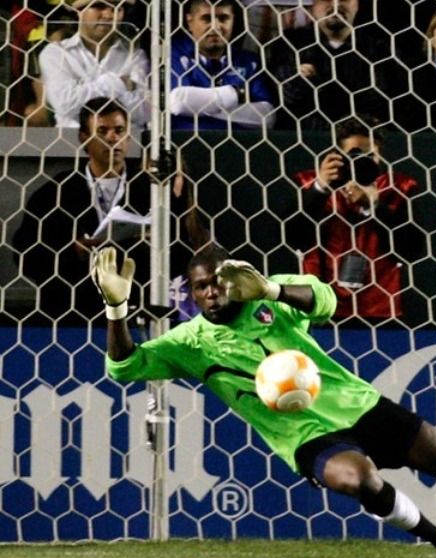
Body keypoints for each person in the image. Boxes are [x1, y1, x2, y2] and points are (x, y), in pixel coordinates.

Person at [91, 245, 436, 558]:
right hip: (304, 436)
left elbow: (326, 300)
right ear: (192, 294)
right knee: (357, 478)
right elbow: (123, 368)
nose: (213, 292)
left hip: (355, 403)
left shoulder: (266, 297)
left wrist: (269, 286)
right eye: (202, 287)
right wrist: (117, 310)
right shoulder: (189, 344)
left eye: (217, 282)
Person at [12, 98, 207, 319]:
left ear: (128, 136)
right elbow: (26, 256)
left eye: (119, 130)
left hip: (136, 309)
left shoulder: (150, 188)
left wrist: (151, 245)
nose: (112, 138)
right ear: (83, 138)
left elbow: (183, 248)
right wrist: (72, 252)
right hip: (72, 313)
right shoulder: (55, 193)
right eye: (102, 131)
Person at [294, 119, 424, 321]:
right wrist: (320, 188)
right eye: (354, 155)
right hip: (321, 306)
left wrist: (374, 205)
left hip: (381, 308)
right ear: (338, 155)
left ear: (379, 155)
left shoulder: (399, 187)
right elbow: (294, 237)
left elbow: (411, 248)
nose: (363, 161)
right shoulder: (309, 183)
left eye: (370, 155)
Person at [267, 0, 398, 130]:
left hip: (360, 139)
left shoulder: (380, 47)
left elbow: (379, 102)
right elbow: (289, 95)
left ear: (357, 4)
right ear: (313, 4)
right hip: (304, 139)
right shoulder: (290, 43)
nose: (336, 5)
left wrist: (316, 82)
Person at [38, 0, 149, 130]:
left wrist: (84, 93)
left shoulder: (135, 55)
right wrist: (119, 83)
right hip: (71, 143)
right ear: (79, 11)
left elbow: (143, 111)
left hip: (127, 144)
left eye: (117, 8)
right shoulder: (56, 53)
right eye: (99, 6)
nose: (108, 15)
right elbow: (65, 104)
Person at [169, 0, 276, 131]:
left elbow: (266, 116)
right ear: (189, 21)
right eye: (206, 18)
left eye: (223, 18)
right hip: (188, 145)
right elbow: (178, 102)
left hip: (240, 146)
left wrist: (199, 106)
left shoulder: (249, 61)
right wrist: (236, 94)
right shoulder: (172, 53)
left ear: (233, 21)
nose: (215, 27)